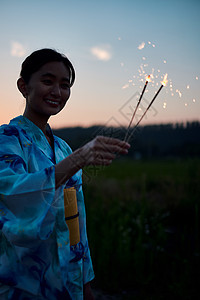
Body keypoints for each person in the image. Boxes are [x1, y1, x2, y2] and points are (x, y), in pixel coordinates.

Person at [0, 48, 130, 299]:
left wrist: (85, 282)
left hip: (68, 282)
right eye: (47, 81)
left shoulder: (63, 148)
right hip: (21, 284)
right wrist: (79, 159)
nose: (57, 92)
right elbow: (11, 195)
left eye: (65, 85)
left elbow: (75, 220)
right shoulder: (7, 139)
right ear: (23, 86)